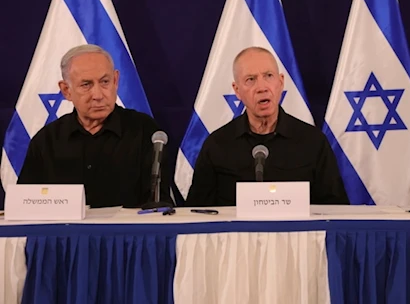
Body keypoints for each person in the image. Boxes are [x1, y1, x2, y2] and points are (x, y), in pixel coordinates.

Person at [185, 46, 349, 206]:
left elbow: (335, 209)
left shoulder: (313, 142)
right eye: (251, 80)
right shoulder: (217, 145)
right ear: (237, 90)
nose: (262, 88)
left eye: (269, 76)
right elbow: (197, 213)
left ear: (281, 82)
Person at [18, 44, 172, 208]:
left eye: (105, 82)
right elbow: (26, 206)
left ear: (115, 81)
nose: (98, 95)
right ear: (66, 91)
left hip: (127, 233)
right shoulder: (46, 141)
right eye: (86, 85)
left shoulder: (144, 131)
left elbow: (157, 204)